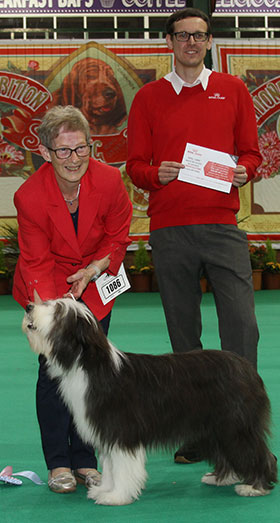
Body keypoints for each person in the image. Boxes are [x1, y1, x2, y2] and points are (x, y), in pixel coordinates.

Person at [126, 8, 262, 464]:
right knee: (184, 340)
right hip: (170, 230)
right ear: (168, 41)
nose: (191, 43)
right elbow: (135, 165)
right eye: (183, 36)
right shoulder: (148, 97)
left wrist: (246, 171)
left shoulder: (233, 90)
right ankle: (200, 431)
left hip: (223, 226)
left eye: (199, 36)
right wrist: (154, 174)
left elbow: (252, 153)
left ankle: (241, 430)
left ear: (209, 42)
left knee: (242, 330)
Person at [13, 105, 132, 493]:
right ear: (46, 152)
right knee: (53, 373)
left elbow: (118, 237)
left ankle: (85, 460)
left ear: (90, 148)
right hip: (47, 290)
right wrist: (59, 313)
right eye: (63, 151)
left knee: (93, 374)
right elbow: (36, 259)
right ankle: (58, 463)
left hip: (95, 284)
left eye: (81, 149)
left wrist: (95, 270)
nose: (73, 159)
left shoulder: (112, 181)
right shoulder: (29, 197)